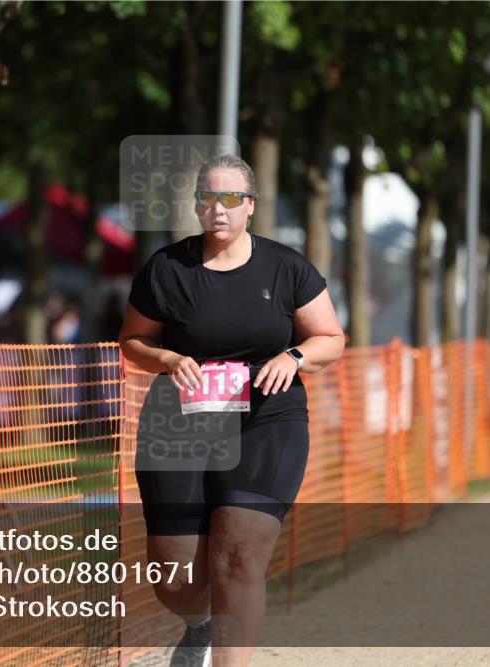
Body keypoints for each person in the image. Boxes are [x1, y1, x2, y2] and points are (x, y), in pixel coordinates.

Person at [118, 154, 346, 667]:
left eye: (229, 198)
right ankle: (196, 628)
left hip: (267, 420)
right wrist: (169, 358)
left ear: (250, 206)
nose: (217, 209)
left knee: (239, 556)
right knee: (177, 578)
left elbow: (331, 338)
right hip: (180, 421)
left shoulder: (286, 268)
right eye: (207, 198)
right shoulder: (167, 269)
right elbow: (131, 341)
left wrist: (295, 356)